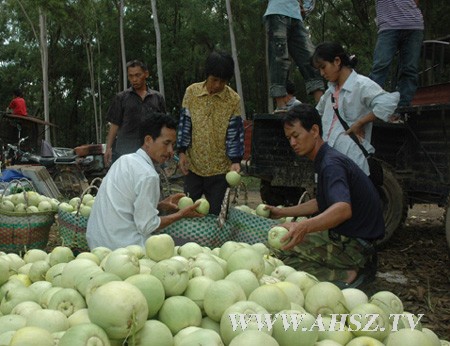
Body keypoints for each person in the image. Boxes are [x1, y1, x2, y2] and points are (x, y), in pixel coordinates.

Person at [265, 103, 385, 287]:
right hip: (354, 241)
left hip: (355, 246)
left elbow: (343, 209)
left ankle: (344, 275)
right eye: (289, 138)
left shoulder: (331, 165)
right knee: (284, 243)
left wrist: (304, 226)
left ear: (314, 130)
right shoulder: (325, 159)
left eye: (296, 136)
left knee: (280, 251)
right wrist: (281, 212)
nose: (292, 143)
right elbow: (321, 203)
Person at [86, 113, 202, 250]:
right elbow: (147, 226)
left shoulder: (124, 160)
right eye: (166, 143)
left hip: (96, 242)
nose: (171, 151)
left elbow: (126, 207)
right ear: (148, 140)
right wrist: (181, 214)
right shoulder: (148, 175)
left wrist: (160, 205)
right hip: (122, 249)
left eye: (173, 145)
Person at [313, 42, 399, 176]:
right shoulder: (329, 93)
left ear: (337, 61)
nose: (322, 73)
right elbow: (317, 113)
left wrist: (360, 122)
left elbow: (387, 103)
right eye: (319, 69)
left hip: (352, 161)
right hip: (328, 160)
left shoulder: (361, 85)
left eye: (323, 67)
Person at [177, 51, 244, 215]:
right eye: (214, 80)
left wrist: (235, 160)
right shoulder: (192, 92)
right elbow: (185, 124)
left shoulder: (233, 99)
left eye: (223, 81)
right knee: (187, 212)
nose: (217, 85)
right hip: (194, 166)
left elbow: (235, 132)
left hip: (220, 170)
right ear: (207, 75)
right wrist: (182, 152)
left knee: (218, 214)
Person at [263, 0, 324, 112]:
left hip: (296, 17)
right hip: (276, 11)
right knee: (279, 58)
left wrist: (306, 8)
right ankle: (281, 106)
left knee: (310, 57)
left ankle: (322, 104)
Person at [104, 59, 166, 166]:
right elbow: (114, 125)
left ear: (146, 74)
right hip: (125, 151)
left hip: (149, 151)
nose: (134, 79)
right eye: (131, 76)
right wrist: (108, 148)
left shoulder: (157, 98)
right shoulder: (121, 98)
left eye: (138, 75)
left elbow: (163, 125)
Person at [369, 0, 424, 107]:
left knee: (410, 68)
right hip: (388, 26)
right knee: (380, 66)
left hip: (414, 25)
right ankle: (371, 104)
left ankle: (404, 107)